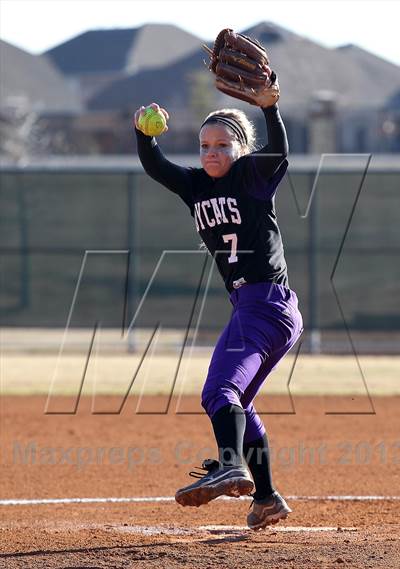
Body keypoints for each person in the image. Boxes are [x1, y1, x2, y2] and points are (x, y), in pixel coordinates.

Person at [134, 99, 303, 531]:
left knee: (218, 392)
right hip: (263, 307)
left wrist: (271, 109)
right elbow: (157, 168)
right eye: (205, 144)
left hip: (263, 303)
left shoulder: (250, 177)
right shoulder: (196, 187)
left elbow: (280, 149)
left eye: (223, 145)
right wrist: (144, 135)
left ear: (242, 151)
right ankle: (265, 499)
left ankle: (231, 465)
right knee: (239, 404)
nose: (211, 152)